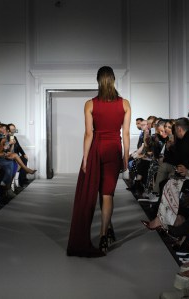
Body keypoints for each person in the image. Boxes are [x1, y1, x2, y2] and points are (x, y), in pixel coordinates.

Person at [67, 66, 131, 257]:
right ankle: (105, 233)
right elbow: (126, 133)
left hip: (96, 149)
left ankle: (106, 230)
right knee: (107, 193)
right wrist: (126, 156)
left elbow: (88, 133)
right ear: (113, 80)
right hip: (114, 149)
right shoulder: (125, 104)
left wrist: (85, 158)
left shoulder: (90, 104)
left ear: (98, 81)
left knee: (95, 189)